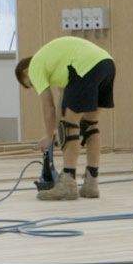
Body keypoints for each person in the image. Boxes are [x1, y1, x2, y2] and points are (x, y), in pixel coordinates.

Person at [16, 35, 116, 201]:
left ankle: (68, 183)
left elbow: (48, 106)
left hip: (85, 67)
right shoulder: (56, 63)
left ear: (25, 72)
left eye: (31, 84)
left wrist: (48, 137)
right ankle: (91, 184)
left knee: (69, 127)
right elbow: (62, 103)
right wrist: (54, 130)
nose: (35, 85)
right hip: (106, 64)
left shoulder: (35, 66)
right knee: (90, 126)